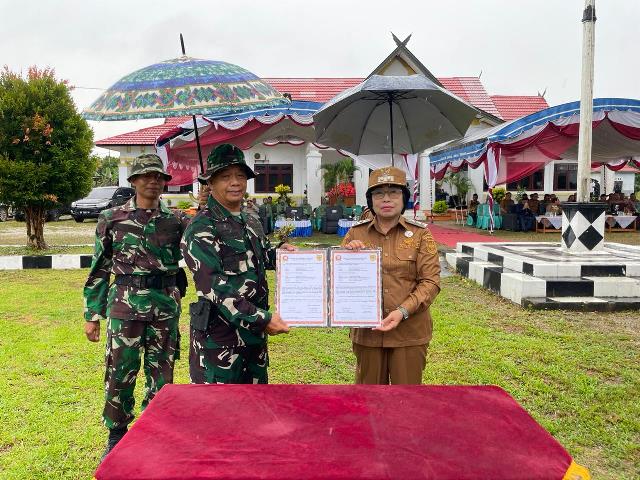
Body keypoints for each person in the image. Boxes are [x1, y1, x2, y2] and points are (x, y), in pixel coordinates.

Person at [83, 154, 190, 458]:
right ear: (133, 181)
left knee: (162, 373)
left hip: (164, 306)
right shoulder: (111, 218)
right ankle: (117, 434)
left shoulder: (177, 220)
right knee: (120, 371)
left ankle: (156, 431)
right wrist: (92, 314)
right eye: (146, 176)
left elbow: (204, 240)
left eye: (158, 177)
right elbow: (100, 268)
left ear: (165, 182)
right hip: (124, 305)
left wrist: (206, 199)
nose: (153, 181)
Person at [181, 144, 293, 384]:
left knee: (255, 404)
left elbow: (259, 257)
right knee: (219, 406)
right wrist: (262, 319)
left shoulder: (251, 221)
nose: (235, 182)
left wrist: (282, 255)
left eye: (240, 176)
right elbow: (213, 286)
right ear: (210, 183)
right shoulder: (201, 228)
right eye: (225, 176)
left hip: (253, 340)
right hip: (219, 343)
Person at [341, 166, 441, 385]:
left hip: (409, 332)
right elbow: (337, 281)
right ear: (371, 200)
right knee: (369, 396)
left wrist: (402, 311)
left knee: (406, 398)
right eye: (378, 193)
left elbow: (431, 282)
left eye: (393, 192)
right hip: (368, 333)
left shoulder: (421, 234)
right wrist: (347, 258)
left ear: (404, 198)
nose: (386, 199)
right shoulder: (356, 233)